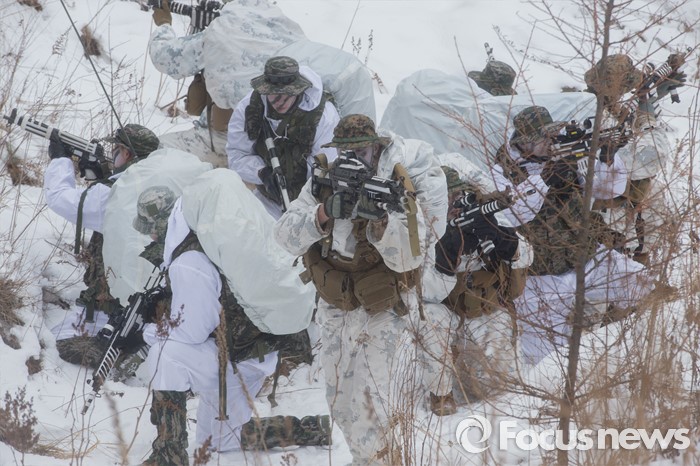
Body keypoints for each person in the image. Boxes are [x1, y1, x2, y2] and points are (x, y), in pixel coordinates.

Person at [274, 114, 448, 464]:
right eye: (345, 152)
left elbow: (411, 257)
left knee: (370, 403)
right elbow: (283, 236)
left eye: (361, 152)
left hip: (384, 305)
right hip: (336, 303)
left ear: (376, 148)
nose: (353, 159)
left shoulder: (394, 185)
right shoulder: (325, 179)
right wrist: (323, 213)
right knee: (339, 402)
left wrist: (381, 223)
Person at [132, 186, 330, 466]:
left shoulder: (188, 262)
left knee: (165, 354)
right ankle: (311, 428)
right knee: (221, 439)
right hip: (253, 354)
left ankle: (169, 456)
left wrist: (148, 333)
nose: (151, 238)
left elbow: (192, 332)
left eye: (151, 231)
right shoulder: (207, 240)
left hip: (237, 360)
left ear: (162, 227)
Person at [44, 124, 160, 368]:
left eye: (115, 149)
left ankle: (122, 352)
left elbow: (60, 199)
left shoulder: (114, 194)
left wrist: (60, 160)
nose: (112, 153)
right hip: (149, 301)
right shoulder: (158, 186)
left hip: (112, 309)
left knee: (53, 344)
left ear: (126, 153)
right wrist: (103, 175)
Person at [420, 165, 532, 414]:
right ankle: (441, 394)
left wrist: (502, 239)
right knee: (429, 318)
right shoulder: (424, 229)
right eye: (446, 198)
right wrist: (446, 255)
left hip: (486, 310)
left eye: (457, 196)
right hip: (448, 313)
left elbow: (526, 256)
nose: (453, 204)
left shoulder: (481, 215)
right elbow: (427, 293)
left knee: (499, 390)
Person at [149, 0, 306, 168]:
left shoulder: (221, 29)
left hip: (228, 141)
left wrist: (164, 24)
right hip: (284, 143)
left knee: (150, 151)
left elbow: (164, 58)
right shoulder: (292, 30)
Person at [583, 53, 686, 265]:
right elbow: (651, 154)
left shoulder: (593, 103)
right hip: (605, 203)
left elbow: (625, 121)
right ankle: (635, 267)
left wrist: (653, 97)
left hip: (609, 192)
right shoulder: (597, 114)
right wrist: (647, 111)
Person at [227, 55, 340, 219]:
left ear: (299, 89)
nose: (279, 101)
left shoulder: (324, 116)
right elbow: (236, 155)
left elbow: (324, 171)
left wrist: (303, 209)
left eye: (287, 94)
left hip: (309, 203)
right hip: (265, 199)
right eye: (273, 93)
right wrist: (261, 173)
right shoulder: (250, 107)